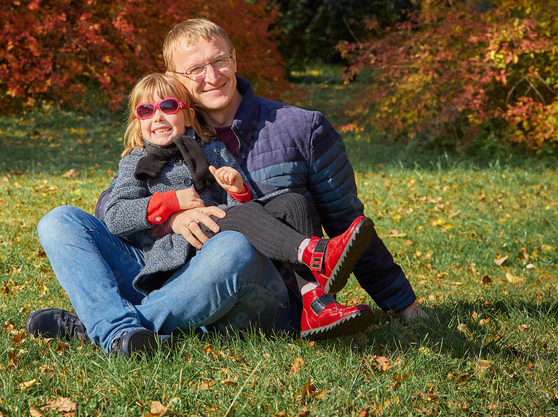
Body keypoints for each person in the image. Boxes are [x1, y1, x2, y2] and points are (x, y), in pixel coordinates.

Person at [30, 19, 425, 357]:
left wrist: (401, 303)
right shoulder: (168, 130)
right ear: (175, 80)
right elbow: (110, 207)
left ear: (234, 59)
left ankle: (103, 327)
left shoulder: (301, 128)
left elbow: (346, 220)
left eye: (220, 61)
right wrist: (171, 216)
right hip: (173, 272)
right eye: (196, 69)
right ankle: (127, 330)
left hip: (261, 284)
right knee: (60, 219)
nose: (212, 75)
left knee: (232, 244)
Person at [102, 72, 376, 341]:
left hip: (223, 232)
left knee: (293, 201)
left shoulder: (212, 149)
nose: (158, 116)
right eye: (146, 110)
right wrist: (172, 204)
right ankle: (314, 253)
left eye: (168, 106)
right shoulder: (135, 161)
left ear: (187, 114)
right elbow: (115, 215)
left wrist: (238, 189)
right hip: (186, 254)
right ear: (138, 121)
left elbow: (242, 207)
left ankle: (317, 303)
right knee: (238, 218)